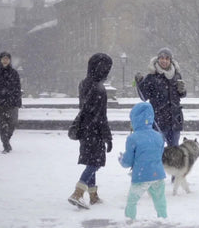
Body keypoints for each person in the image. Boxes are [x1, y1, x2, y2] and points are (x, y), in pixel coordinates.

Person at [68, 53, 113, 209]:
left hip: (84, 129)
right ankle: (77, 193)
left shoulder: (84, 83)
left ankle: (93, 196)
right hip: (95, 131)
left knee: (91, 161)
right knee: (94, 163)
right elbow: (101, 116)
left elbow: (85, 109)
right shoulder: (99, 88)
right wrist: (108, 137)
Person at [119, 102, 167, 220]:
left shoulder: (133, 138)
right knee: (160, 200)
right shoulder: (159, 136)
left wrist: (121, 159)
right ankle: (164, 220)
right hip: (158, 174)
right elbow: (159, 155)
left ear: (134, 119)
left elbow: (128, 161)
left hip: (142, 175)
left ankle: (130, 220)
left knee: (132, 201)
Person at [135, 47, 186, 147]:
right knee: (157, 151)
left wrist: (183, 91)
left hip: (175, 121)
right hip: (158, 121)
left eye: (167, 58)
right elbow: (144, 97)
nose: (164, 61)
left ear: (170, 60)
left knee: (174, 153)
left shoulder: (177, 76)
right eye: (162, 58)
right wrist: (139, 83)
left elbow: (180, 95)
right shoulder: (151, 77)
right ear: (158, 59)